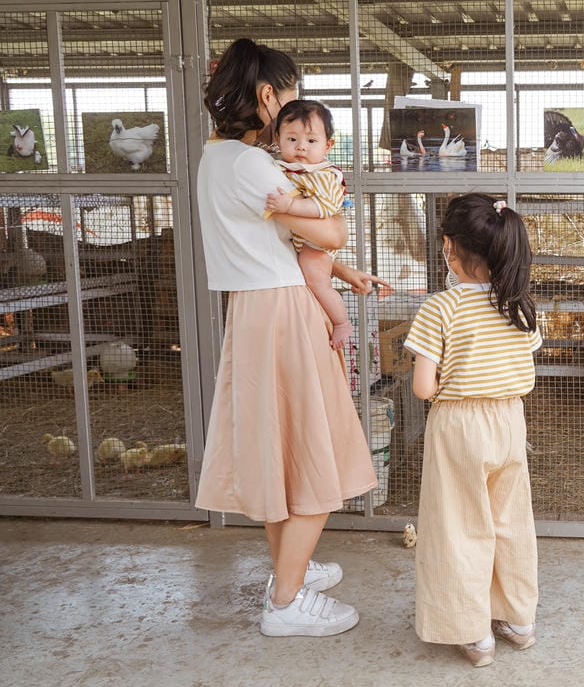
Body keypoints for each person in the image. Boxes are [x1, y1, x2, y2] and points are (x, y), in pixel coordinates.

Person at [193, 37, 388, 638]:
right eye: (292, 97)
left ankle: (290, 570)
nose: (296, 114)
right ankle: (285, 602)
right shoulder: (257, 167)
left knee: (280, 454)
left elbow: (285, 243)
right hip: (284, 312)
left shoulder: (216, 157)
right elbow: (328, 232)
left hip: (252, 310)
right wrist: (340, 246)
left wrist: (344, 272)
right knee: (315, 455)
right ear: (267, 96)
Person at [403, 193, 542, 668]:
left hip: (458, 424)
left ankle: (473, 633)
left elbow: (424, 387)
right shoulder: (521, 308)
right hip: (509, 420)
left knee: (460, 526)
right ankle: (519, 620)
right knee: (509, 520)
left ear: (448, 247)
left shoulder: (439, 308)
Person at [263, 99, 354, 348]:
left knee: (316, 282)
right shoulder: (283, 166)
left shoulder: (323, 175)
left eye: (311, 141)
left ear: (328, 145)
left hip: (316, 244)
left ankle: (341, 322)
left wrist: (289, 207)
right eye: (292, 140)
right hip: (303, 240)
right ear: (277, 137)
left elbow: (325, 207)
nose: (301, 147)